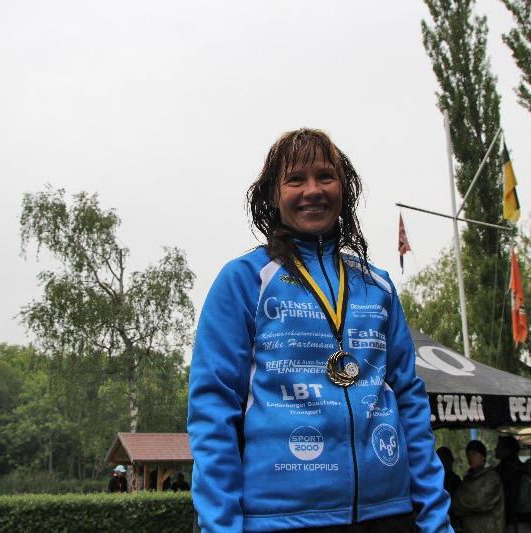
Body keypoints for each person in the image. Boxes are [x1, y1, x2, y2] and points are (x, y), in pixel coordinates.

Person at [188, 128, 451, 532]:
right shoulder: (243, 280)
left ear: (343, 189)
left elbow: (410, 402)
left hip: (389, 514)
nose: (312, 190)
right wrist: (221, 526)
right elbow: (213, 410)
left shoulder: (377, 286)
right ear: (272, 196)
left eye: (325, 176)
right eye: (295, 179)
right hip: (280, 520)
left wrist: (435, 520)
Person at [450, 440, 504, 533]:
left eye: (474, 453)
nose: (470, 457)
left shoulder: (491, 478)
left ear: (483, 456)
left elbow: (477, 502)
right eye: (468, 454)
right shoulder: (469, 477)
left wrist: (456, 504)